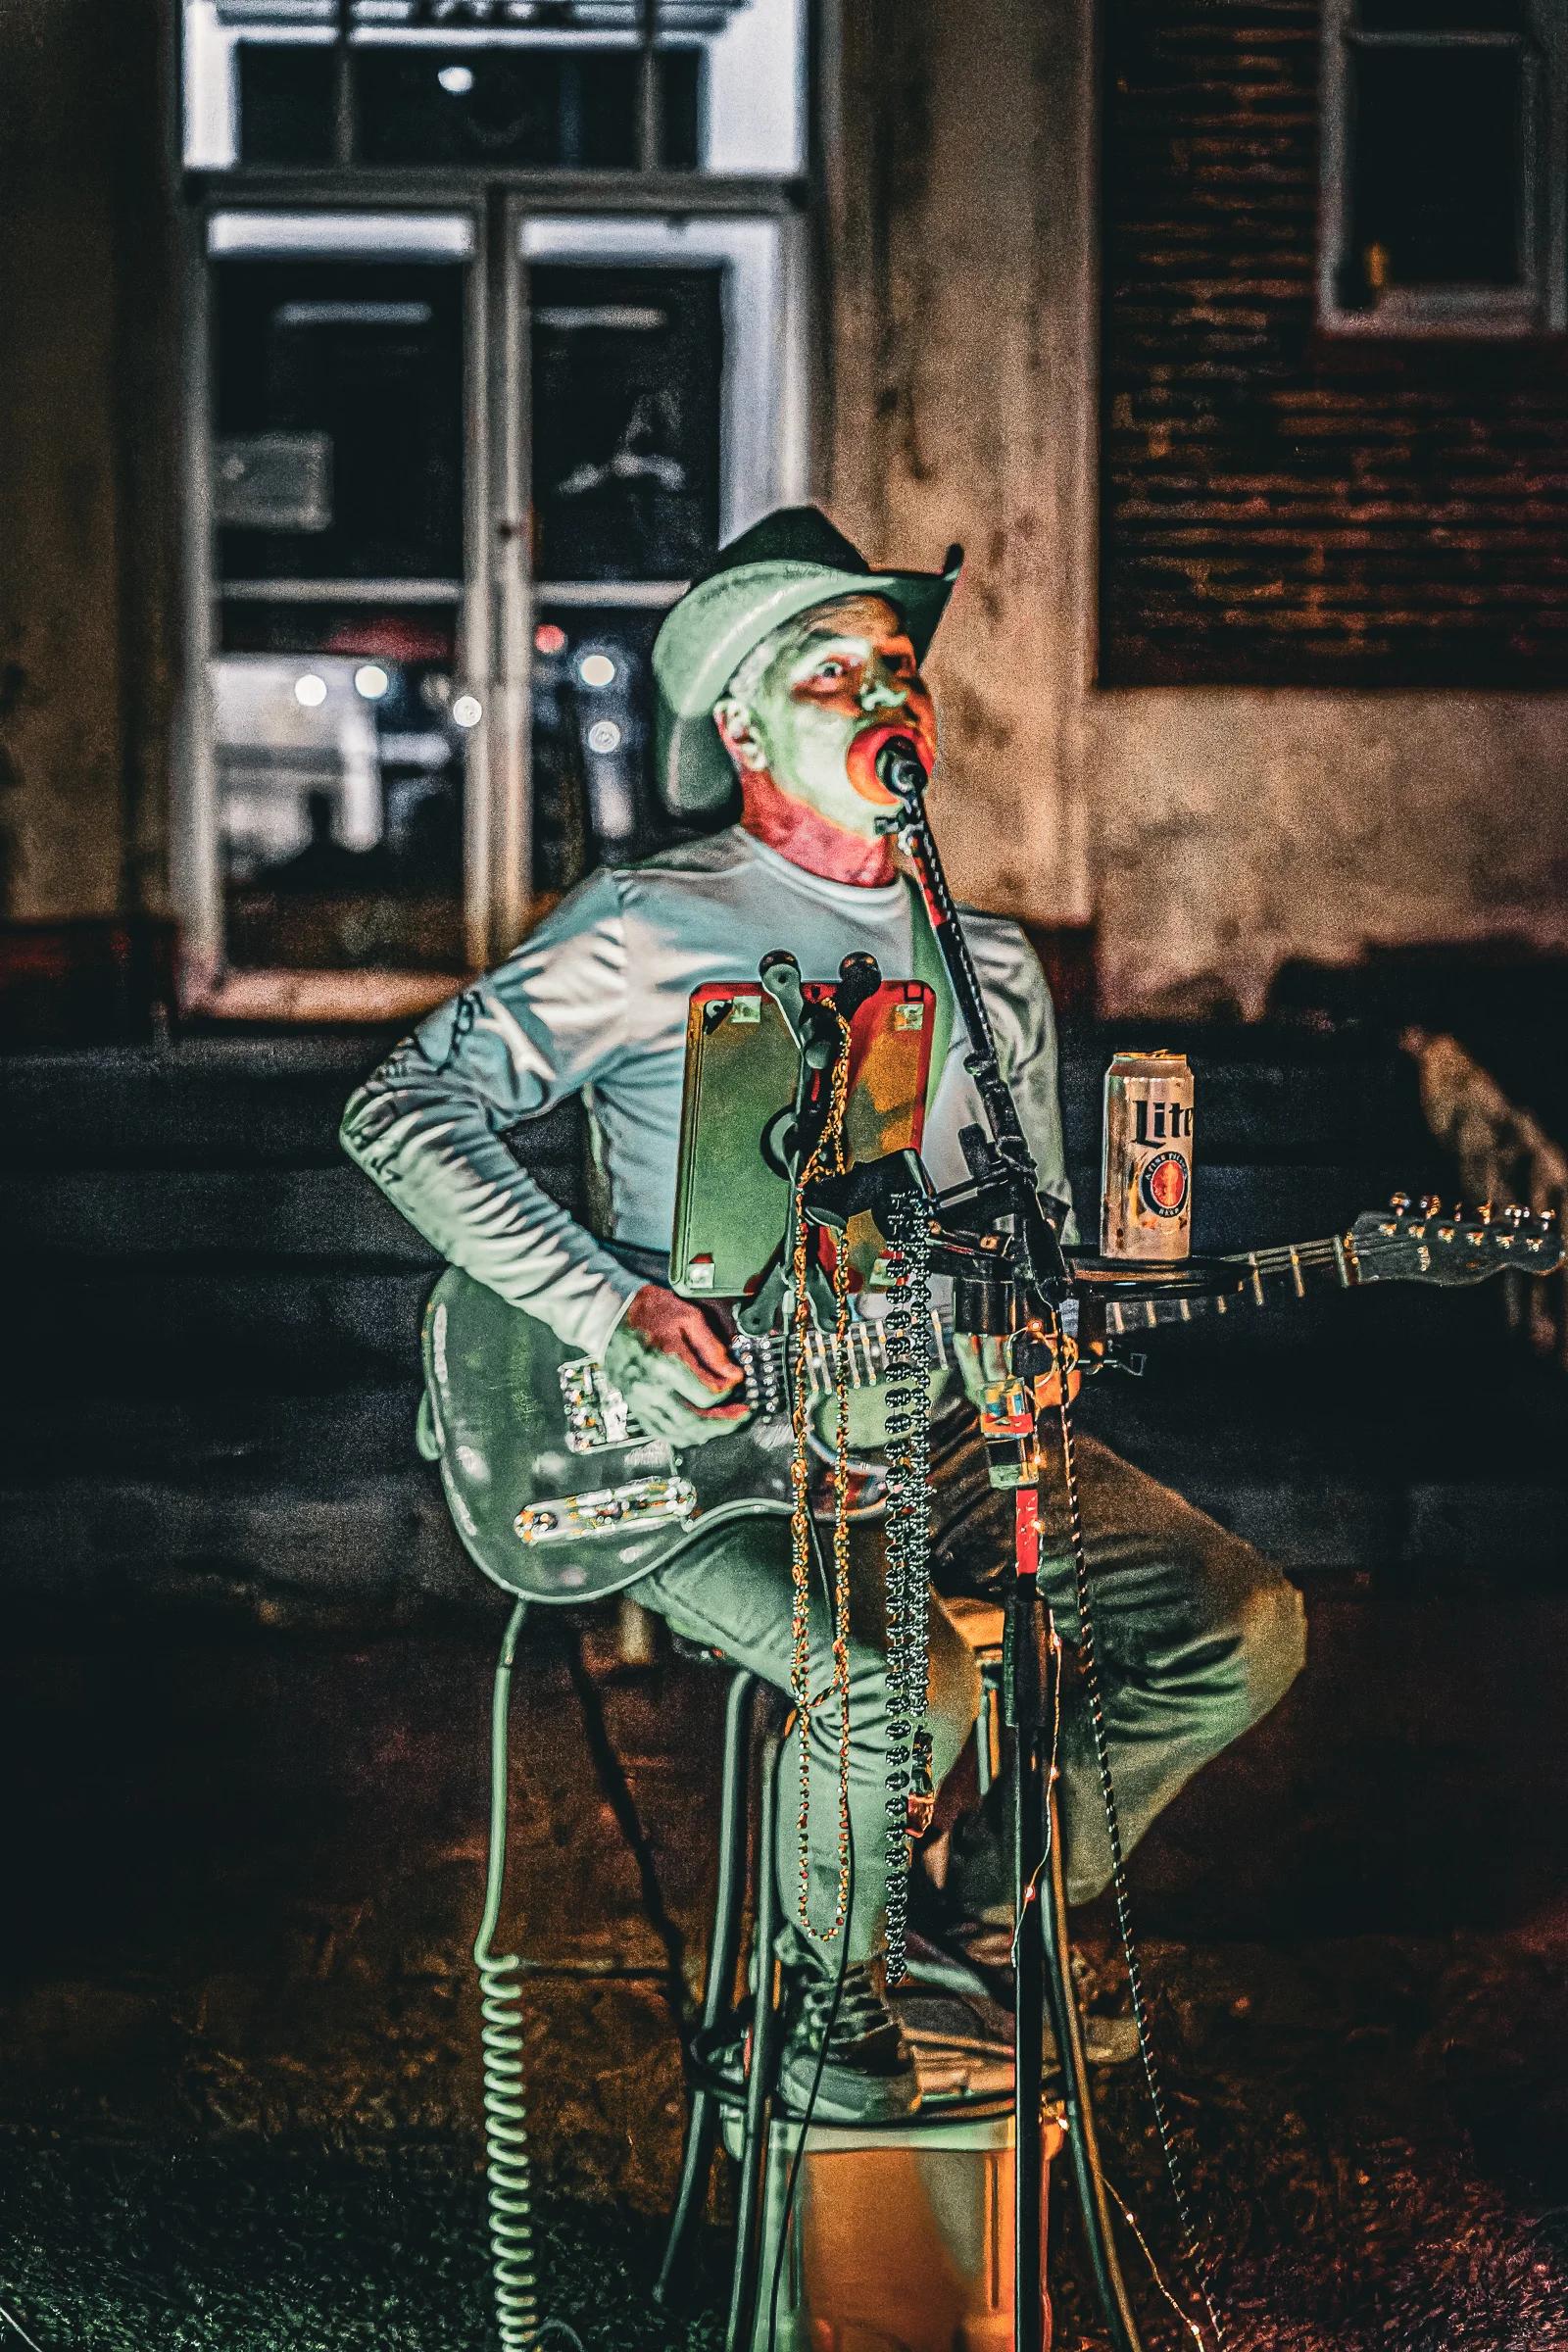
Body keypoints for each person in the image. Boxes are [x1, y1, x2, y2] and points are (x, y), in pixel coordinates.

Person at [340, 507, 1306, 2124]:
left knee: (1236, 1627)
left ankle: (976, 1914)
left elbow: (1031, 1242)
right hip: (717, 1450)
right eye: (831, 668)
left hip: (925, 1431)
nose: (886, 694)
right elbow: (403, 1108)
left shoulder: (987, 968)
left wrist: (1035, 1332)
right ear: (740, 726)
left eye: (899, 665)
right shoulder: (656, 925)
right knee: (899, 1683)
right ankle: (825, 2002)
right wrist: (611, 1305)